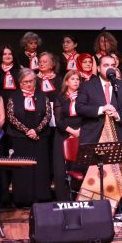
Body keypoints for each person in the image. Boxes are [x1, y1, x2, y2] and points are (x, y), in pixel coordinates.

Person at [4, 69, 54, 207]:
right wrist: (27, 131)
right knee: (23, 169)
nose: (28, 84)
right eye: (25, 82)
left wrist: (36, 130)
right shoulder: (13, 97)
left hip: (40, 136)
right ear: (20, 83)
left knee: (40, 168)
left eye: (31, 81)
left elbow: (47, 115)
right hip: (20, 138)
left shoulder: (43, 96)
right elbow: (11, 117)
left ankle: (41, 196)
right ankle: (23, 198)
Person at [52, 70, 83, 200]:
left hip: (82, 132)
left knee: (79, 166)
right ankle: (63, 199)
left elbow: (88, 116)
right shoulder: (60, 97)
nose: (76, 81)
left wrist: (80, 131)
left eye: (77, 79)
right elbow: (58, 120)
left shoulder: (83, 96)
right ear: (66, 81)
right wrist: (72, 132)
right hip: (63, 133)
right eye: (73, 79)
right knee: (60, 168)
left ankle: (80, 197)